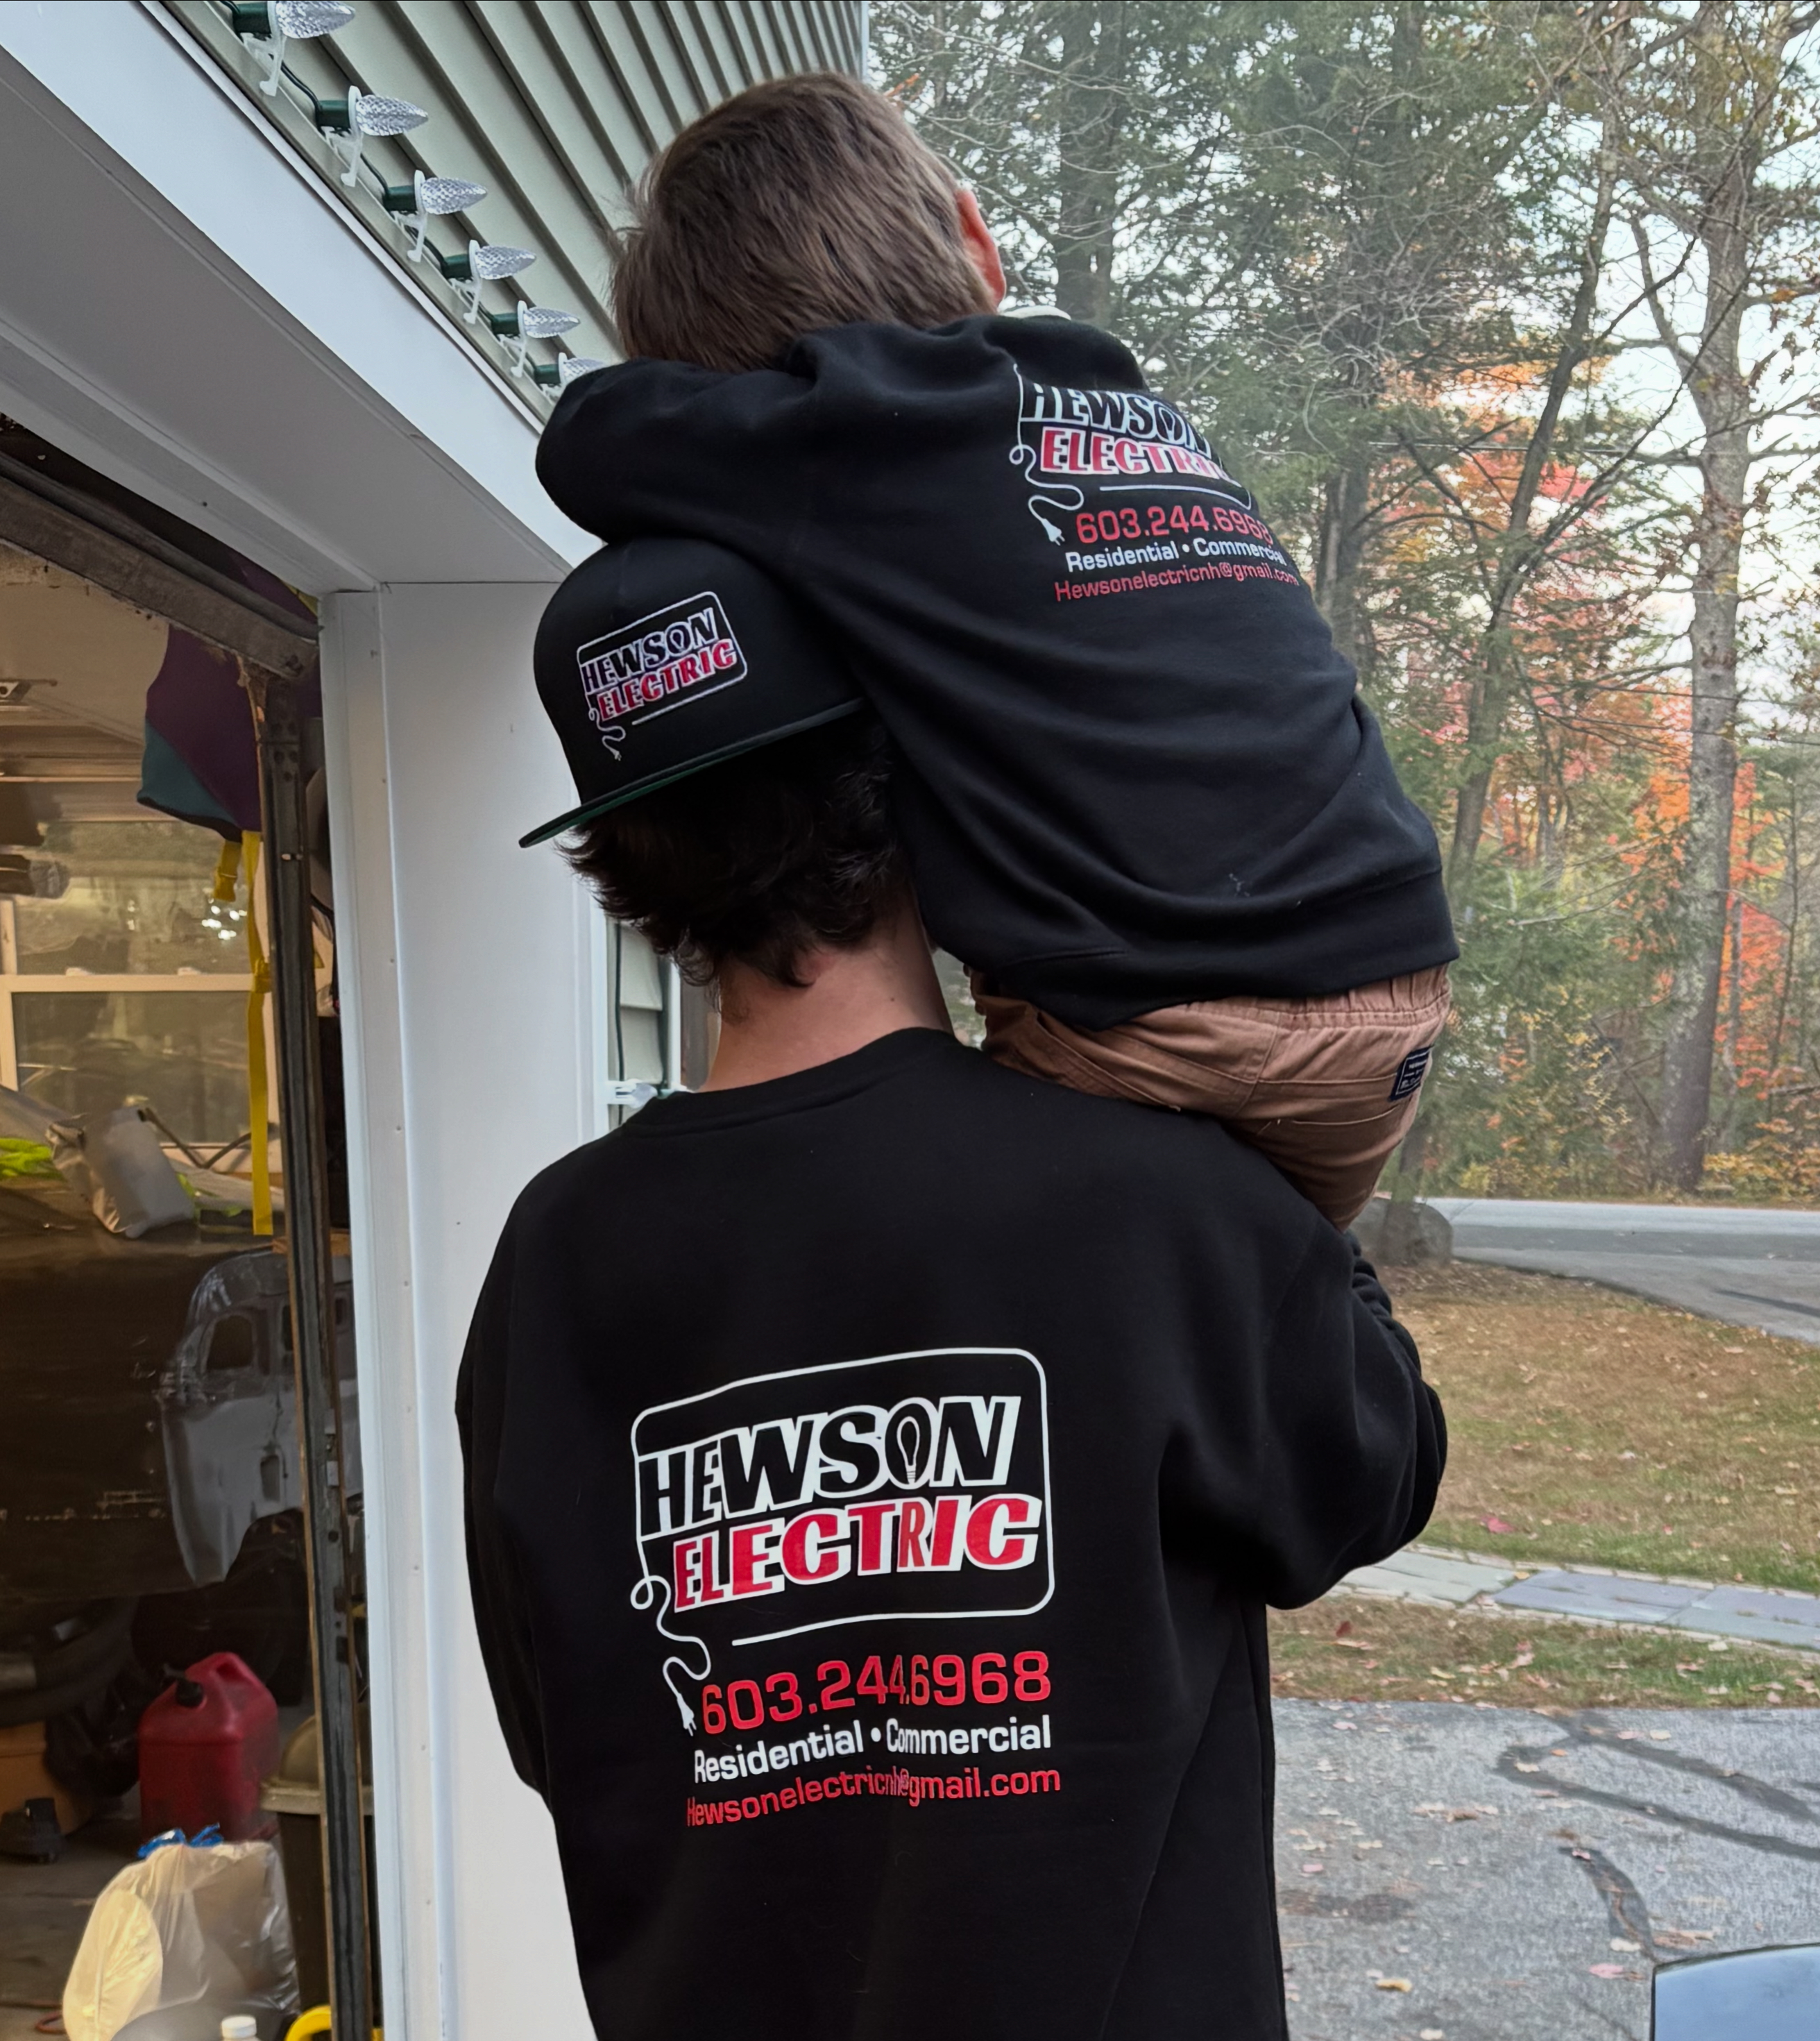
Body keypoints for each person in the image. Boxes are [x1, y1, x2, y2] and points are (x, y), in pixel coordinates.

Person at [459, 538, 1446, 2041]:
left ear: (624, 866)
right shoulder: (1152, 1200)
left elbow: (556, 1723)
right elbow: (1369, 1477)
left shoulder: (555, 1257)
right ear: (918, 788)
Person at [529, 73, 1457, 1231]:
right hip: (1393, 992)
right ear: (977, 237)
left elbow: (584, 443)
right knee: (1251, 1307)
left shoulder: (846, 440)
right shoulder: (1126, 408)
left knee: (964, 1252)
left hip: (1165, 1025)